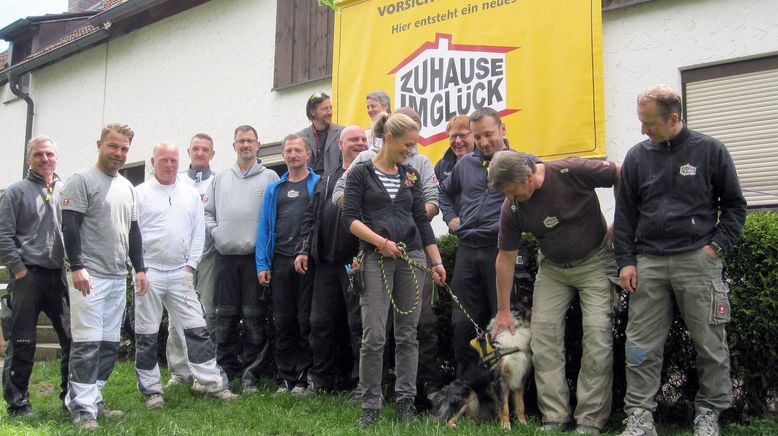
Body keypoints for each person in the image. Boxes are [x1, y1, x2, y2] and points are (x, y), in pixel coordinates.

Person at [614, 85, 747, 436]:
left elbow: (734, 205)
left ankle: (709, 413)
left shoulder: (710, 151)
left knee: (709, 343)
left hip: (697, 260)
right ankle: (640, 416)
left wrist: (716, 247)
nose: (643, 130)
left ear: (673, 118)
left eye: (649, 123)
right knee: (640, 345)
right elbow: (625, 215)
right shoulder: (636, 158)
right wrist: (626, 261)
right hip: (649, 263)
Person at [489, 151, 621, 434]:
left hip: (595, 261)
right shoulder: (511, 207)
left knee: (597, 336)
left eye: (513, 192)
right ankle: (555, 416)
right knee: (544, 337)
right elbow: (505, 257)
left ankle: (590, 419)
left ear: (528, 177)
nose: (511, 199)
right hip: (552, 268)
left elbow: (620, 172)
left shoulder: (570, 170)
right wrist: (502, 310)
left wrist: (622, 220)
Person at [342, 112, 446, 427]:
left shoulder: (411, 175)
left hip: (411, 257)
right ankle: (370, 404)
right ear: (389, 138)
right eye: (407, 144)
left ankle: (405, 402)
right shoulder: (361, 172)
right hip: (374, 258)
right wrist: (380, 242)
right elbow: (349, 219)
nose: (410, 150)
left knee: (407, 335)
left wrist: (437, 261)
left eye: (413, 145)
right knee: (374, 334)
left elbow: (421, 221)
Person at [134, 142, 239, 410]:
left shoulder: (189, 193)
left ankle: (212, 383)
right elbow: (131, 235)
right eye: (164, 160)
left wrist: (190, 265)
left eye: (173, 160)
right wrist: (138, 269)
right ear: (152, 161)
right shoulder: (140, 194)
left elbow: (198, 231)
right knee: (146, 333)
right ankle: (151, 390)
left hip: (181, 271)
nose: (169, 165)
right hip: (150, 273)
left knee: (197, 328)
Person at [438, 107, 540, 377]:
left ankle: (509, 397)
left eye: (489, 134)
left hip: (502, 250)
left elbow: (542, 190)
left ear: (502, 129)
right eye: (478, 136)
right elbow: (443, 193)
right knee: (463, 326)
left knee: (504, 326)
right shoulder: (465, 164)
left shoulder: (524, 162)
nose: (484, 142)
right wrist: (451, 218)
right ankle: (468, 392)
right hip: (467, 252)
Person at [60, 122, 148, 430]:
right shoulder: (80, 180)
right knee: (87, 343)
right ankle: (81, 408)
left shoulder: (126, 187)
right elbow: (70, 227)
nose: (119, 153)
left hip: (116, 276)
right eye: (114, 146)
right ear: (99, 144)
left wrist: (140, 269)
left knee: (109, 344)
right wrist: (77, 266)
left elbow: (134, 232)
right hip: (88, 276)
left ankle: (94, 399)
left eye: (125, 149)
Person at [204, 125, 279, 392]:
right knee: (224, 317)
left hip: (254, 261)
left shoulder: (270, 177)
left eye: (250, 141)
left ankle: (251, 374)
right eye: (240, 141)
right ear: (233, 145)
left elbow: (274, 218)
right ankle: (225, 370)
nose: (245, 145)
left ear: (258, 145)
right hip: (225, 257)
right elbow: (207, 213)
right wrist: (218, 233)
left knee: (254, 318)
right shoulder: (220, 179)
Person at [0, 136, 71, 417]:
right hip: (27, 276)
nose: (45, 159)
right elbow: (3, 236)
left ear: (56, 157)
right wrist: (19, 269)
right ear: (30, 158)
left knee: (72, 339)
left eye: (50, 154)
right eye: (39, 154)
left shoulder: (67, 190)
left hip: (61, 277)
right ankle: (18, 404)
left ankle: (71, 398)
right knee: (23, 342)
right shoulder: (15, 192)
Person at [295, 126, 367, 394]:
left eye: (363, 139)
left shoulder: (368, 175)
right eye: (354, 140)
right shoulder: (326, 180)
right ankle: (321, 380)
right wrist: (303, 250)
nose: (359, 143)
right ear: (340, 144)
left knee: (357, 324)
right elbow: (310, 219)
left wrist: (363, 254)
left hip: (354, 263)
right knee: (319, 322)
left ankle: (361, 382)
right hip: (324, 263)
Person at [256, 135, 319, 396]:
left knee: (305, 321)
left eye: (298, 150)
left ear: (307, 154)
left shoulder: (317, 184)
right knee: (282, 322)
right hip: (279, 261)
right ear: (283, 155)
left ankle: (304, 378)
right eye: (288, 151)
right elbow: (264, 228)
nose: (293, 155)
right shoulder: (275, 189)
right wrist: (262, 264)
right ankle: (285, 378)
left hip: (306, 262)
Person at [167, 133, 217, 390]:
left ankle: (204, 372)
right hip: (179, 262)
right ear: (189, 151)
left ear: (212, 154)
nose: (200, 153)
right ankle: (179, 373)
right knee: (177, 319)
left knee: (205, 317)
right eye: (196, 149)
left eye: (205, 149)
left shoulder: (217, 182)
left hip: (208, 259)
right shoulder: (176, 182)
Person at [296, 92, 344, 175]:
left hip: (334, 185)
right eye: (325, 109)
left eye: (330, 108)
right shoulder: (300, 137)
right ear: (313, 112)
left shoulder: (343, 133)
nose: (330, 112)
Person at [433, 115, 475, 184]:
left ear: (474, 135)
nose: (458, 141)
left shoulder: (485, 160)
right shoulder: (441, 165)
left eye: (463, 135)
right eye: (453, 136)